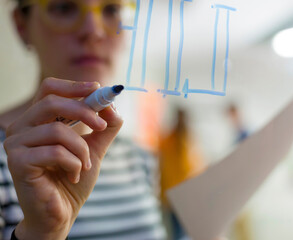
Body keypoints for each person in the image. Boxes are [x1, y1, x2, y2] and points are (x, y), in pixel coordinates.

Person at [0, 0, 166, 239]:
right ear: (21, 26)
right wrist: (42, 232)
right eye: (64, 7)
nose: (94, 31)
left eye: (112, 9)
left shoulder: (138, 158)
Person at [158, 108, 205, 240]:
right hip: (177, 196)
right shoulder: (176, 140)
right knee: (180, 232)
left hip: (180, 195)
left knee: (181, 232)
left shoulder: (187, 140)